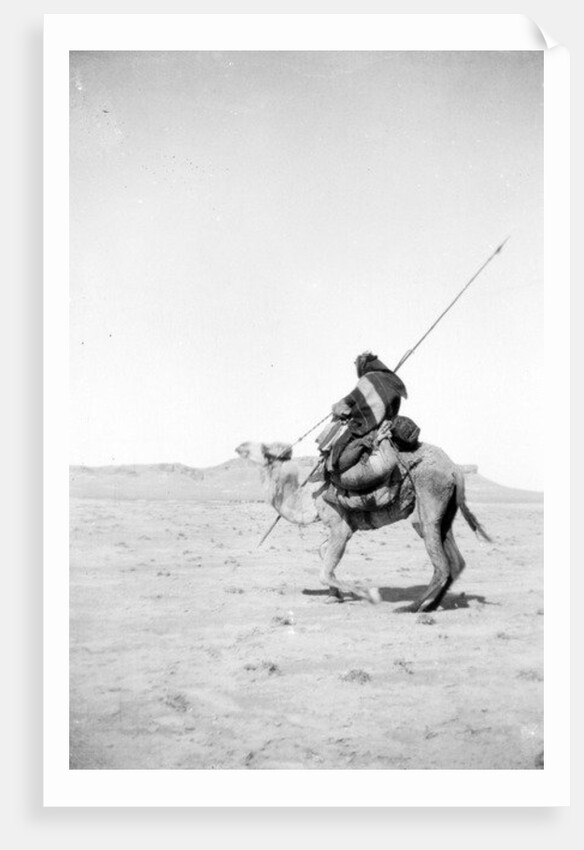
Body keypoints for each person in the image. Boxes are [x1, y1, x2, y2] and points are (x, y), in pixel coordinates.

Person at [327, 351, 408, 475]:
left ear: (363, 366)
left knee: (338, 446)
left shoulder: (367, 379)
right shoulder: (391, 380)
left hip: (365, 428)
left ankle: (332, 473)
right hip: (387, 425)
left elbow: (351, 401)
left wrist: (337, 409)